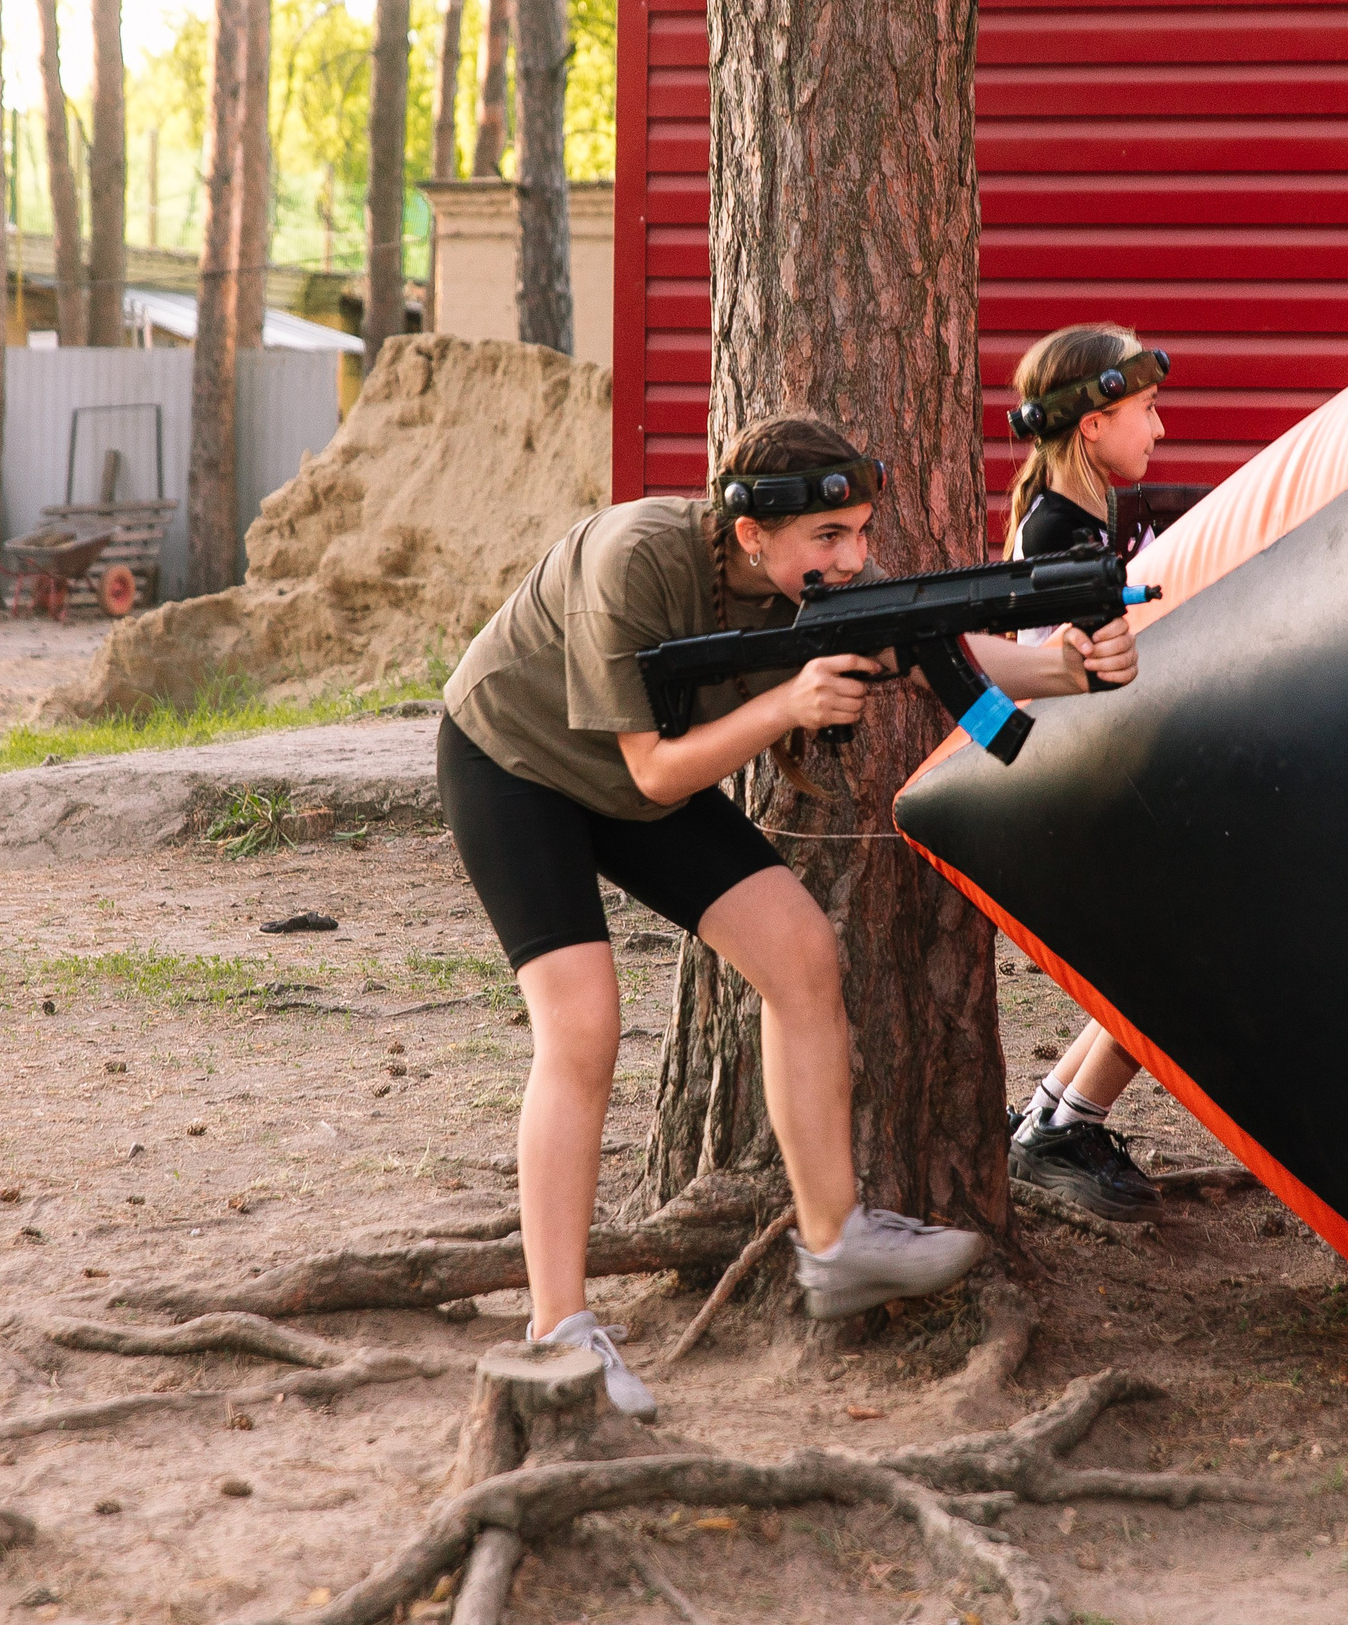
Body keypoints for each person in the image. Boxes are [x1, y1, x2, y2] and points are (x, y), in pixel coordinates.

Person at [437, 413, 1140, 1420]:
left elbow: (956, 643)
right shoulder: (637, 559)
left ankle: (834, 1242)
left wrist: (1074, 665)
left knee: (802, 952)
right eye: (830, 539)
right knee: (582, 1026)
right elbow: (652, 767)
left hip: (643, 787)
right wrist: (791, 705)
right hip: (517, 765)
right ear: (750, 531)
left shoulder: (826, 584)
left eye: (859, 532)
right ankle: (560, 1330)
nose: (853, 558)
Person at [1000, 323, 1172, 1223]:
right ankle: (1063, 1126)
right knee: (1169, 963)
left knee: (1157, 963)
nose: (1162, 427)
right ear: (1093, 426)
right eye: (1146, 410)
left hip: (1095, 779)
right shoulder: (1060, 538)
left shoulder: (1090, 517)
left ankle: (1053, 1119)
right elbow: (1083, 682)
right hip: (1071, 793)